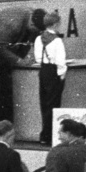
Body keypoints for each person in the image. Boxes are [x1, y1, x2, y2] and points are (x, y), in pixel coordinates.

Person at [28, 8, 67, 145]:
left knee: (44, 103)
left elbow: (38, 58)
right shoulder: (57, 41)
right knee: (54, 104)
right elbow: (61, 62)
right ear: (56, 24)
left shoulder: (38, 39)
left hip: (43, 70)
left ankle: (44, 135)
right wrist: (62, 75)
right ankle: (51, 135)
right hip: (54, 71)